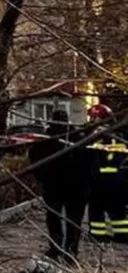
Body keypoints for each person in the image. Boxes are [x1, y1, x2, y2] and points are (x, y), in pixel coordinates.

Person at [28, 109, 89, 262]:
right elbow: (91, 161)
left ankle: (55, 249)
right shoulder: (79, 137)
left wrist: (41, 178)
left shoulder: (44, 138)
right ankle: (71, 252)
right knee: (74, 221)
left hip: (53, 187)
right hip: (77, 188)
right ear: (67, 120)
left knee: (53, 218)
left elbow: (34, 159)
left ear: (52, 119)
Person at [85, 104, 128, 243]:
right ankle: (122, 235)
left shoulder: (93, 137)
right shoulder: (119, 135)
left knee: (96, 210)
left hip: (99, 180)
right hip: (118, 180)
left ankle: (98, 236)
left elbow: (87, 158)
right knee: (118, 209)